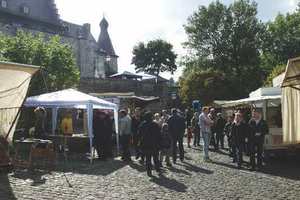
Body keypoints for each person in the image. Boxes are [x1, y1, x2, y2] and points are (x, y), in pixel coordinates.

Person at [138, 112, 162, 177]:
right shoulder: (155, 124)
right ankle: (157, 169)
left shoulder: (142, 125)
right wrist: (160, 144)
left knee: (148, 159)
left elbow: (139, 135)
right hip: (154, 144)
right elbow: (159, 135)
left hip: (146, 144)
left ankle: (149, 171)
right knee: (156, 158)